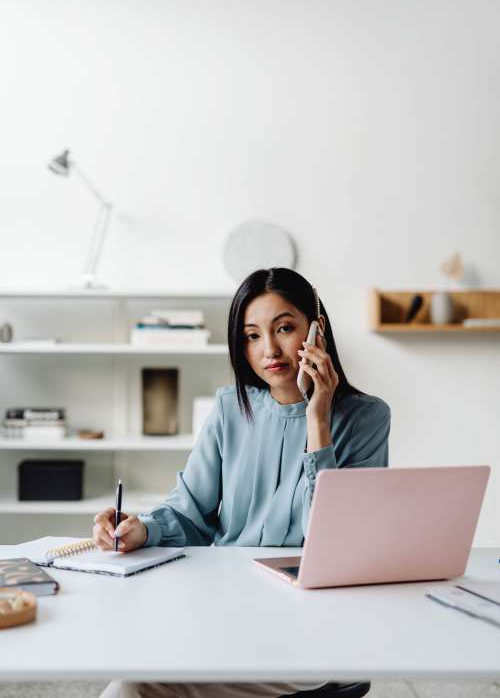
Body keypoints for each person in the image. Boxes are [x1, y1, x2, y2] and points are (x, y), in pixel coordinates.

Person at [95, 267, 391, 698]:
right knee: (136, 667)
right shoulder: (230, 409)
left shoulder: (367, 418)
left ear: (316, 331)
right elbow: (188, 512)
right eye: (252, 336)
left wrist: (318, 418)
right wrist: (142, 528)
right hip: (228, 608)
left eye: (285, 328)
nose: (269, 349)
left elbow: (337, 544)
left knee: (135, 688)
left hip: (318, 624)